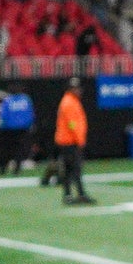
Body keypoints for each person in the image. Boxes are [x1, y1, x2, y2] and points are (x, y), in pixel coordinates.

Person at [54, 76, 93, 205]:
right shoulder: (69, 103)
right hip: (69, 141)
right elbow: (72, 124)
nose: (78, 91)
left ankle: (74, 194)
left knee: (72, 169)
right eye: (75, 88)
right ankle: (72, 195)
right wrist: (79, 139)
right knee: (73, 169)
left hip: (69, 140)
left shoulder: (71, 101)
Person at [0, 84, 36, 176]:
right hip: (22, 129)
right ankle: (16, 170)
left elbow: (3, 116)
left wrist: (2, 127)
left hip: (8, 130)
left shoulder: (7, 100)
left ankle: (2, 169)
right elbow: (31, 114)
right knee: (19, 150)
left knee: (6, 150)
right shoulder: (26, 99)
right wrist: (29, 125)